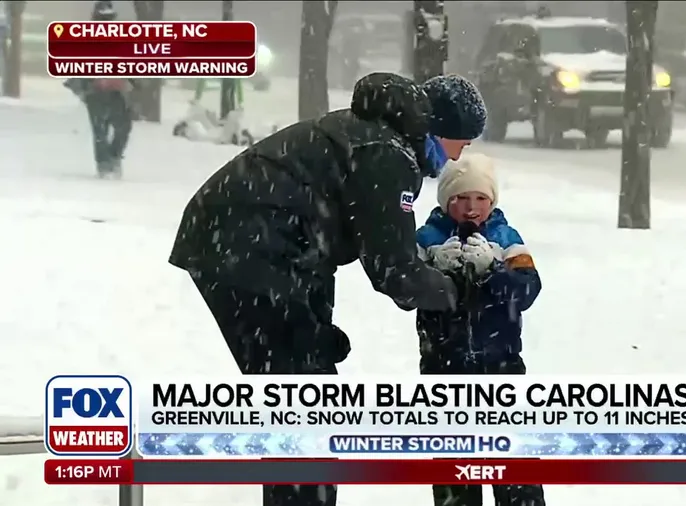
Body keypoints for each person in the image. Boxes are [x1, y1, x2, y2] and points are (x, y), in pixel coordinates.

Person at [167, 72, 485, 506]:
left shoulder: (370, 134)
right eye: (461, 144)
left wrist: (316, 325)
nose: (458, 156)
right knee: (304, 404)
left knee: (301, 395)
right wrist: (457, 292)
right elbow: (394, 269)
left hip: (242, 243)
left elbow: (318, 241)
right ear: (442, 130)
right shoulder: (387, 155)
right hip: (244, 248)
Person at [415, 153, 545, 506]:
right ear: (446, 200)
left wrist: (493, 271)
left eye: (480, 199)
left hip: (502, 372)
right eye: (461, 198)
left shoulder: (507, 239)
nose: (471, 208)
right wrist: (436, 272)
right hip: (444, 374)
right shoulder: (426, 240)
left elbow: (529, 289)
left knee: (516, 472)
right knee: (455, 476)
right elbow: (406, 293)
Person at [63, 1, 134, 178]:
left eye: (109, 19)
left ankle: (115, 157)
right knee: (100, 128)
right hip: (95, 92)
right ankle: (103, 164)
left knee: (123, 126)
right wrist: (90, 83)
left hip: (117, 92)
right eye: (102, 19)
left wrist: (128, 81)